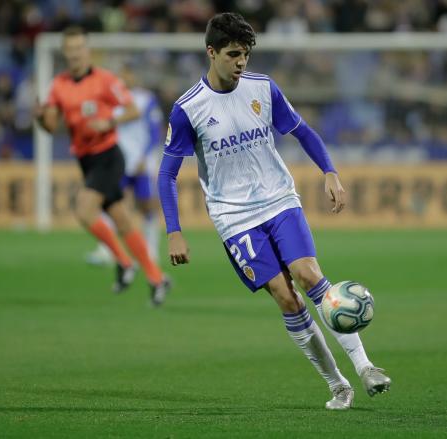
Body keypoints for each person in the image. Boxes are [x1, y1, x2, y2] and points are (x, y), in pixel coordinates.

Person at [158, 12, 391, 410]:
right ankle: (337, 384)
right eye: (233, 54)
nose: (241, 62)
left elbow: (302, 131)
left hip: (279, 199)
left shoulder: (263, 89)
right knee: (287, 298)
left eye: (245, 54)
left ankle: (366, 367)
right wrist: (174, 230)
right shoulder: (188, 109)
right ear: (211, 53)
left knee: (309, 274)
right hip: (234, 218)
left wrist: (330, 172)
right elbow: (167, 174)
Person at [34, 26, 171, 306]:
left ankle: (124, 262)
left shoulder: (105, 80)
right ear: (65, 53)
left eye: (79, 48)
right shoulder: (58, 85)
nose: (75, 54)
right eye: (70, 50)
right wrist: (39, 117)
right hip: (86, 160)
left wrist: (109, 122)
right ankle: (157, 279)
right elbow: (50, 127)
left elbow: (132, 109)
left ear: (87, 50)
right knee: (122, 220)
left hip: (109, 155)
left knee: (84, 210)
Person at [86, 64, 163, 265]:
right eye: (121, 75)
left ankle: (151, 251)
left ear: (133, 76)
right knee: (109, 204)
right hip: (118, 162)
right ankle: (106, 250)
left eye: (127, 74)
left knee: (146, 206)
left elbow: (155, 132)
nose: (124, 78)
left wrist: (145, 158)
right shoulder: (111, 100)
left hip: (140, 163)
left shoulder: (146, 99)